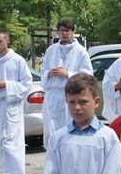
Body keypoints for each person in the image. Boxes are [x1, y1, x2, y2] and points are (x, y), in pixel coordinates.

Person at [0, 30, 33, 174]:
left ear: (7, 41)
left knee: (12, 142)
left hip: (12, 105)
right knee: (2, 141)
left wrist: (8, 84)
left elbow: (27, 84)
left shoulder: (18, 61)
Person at [40, 19, 93, 147]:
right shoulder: (51, 50)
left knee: (68, 132)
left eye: (67, 31)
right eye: (62, 30)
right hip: (52, 96)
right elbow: (43, 71)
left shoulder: (80, 51)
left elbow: (87, 76)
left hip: (69, 96)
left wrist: (67, 75)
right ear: (58, 32)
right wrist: (49, 73)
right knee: (51, 133)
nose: (64, 33)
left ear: (73, 32)